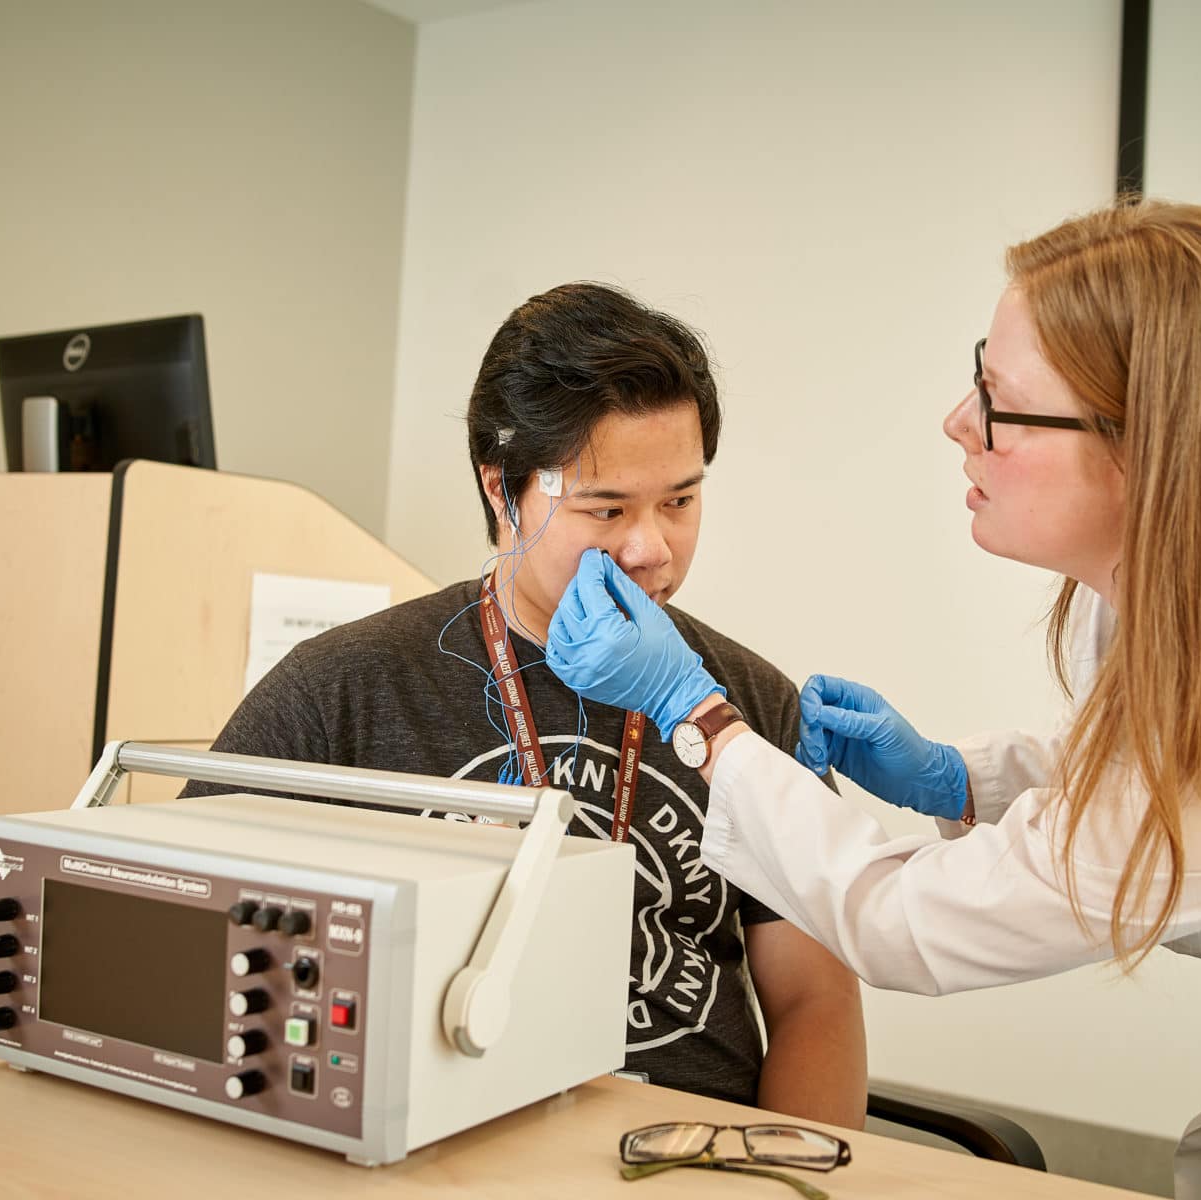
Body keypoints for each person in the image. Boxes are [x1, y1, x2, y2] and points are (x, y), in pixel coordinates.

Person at [544, 202, 1201, 1197]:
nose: (958, 421)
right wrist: (961, 778)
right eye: (976, 372)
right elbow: (1126, 776)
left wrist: (697, 711)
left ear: (1144, 450)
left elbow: (906, 924)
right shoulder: (1188, 582)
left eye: (999, 398)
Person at [184, 282, 866, 1126]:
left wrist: (782, 1170)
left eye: (680, 501)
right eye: (605, 508)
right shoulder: (345, 688)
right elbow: (186, 928)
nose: (651, 548)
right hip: (434, 1139)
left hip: (694, 1152)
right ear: (503, 490)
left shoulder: (748, 701)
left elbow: (815, 1002)